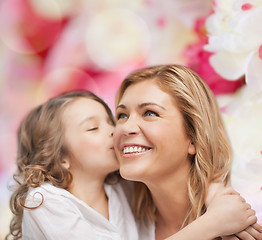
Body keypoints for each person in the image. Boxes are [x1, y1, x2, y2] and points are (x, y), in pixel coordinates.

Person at [6, 90, 259, 240]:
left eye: (111, 121)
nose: (116, 131)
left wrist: (215, 195)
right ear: (60, 156)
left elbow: (182, 168)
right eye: (94, 128)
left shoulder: (121, 187)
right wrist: (212, 224)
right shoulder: (44, 201)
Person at [113, 64, 262, 240]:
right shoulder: (116, 220)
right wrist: (211, 224)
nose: (126, 127)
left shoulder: (245, 220)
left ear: (194, 137)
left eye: (150, 113)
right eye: (122, 115)